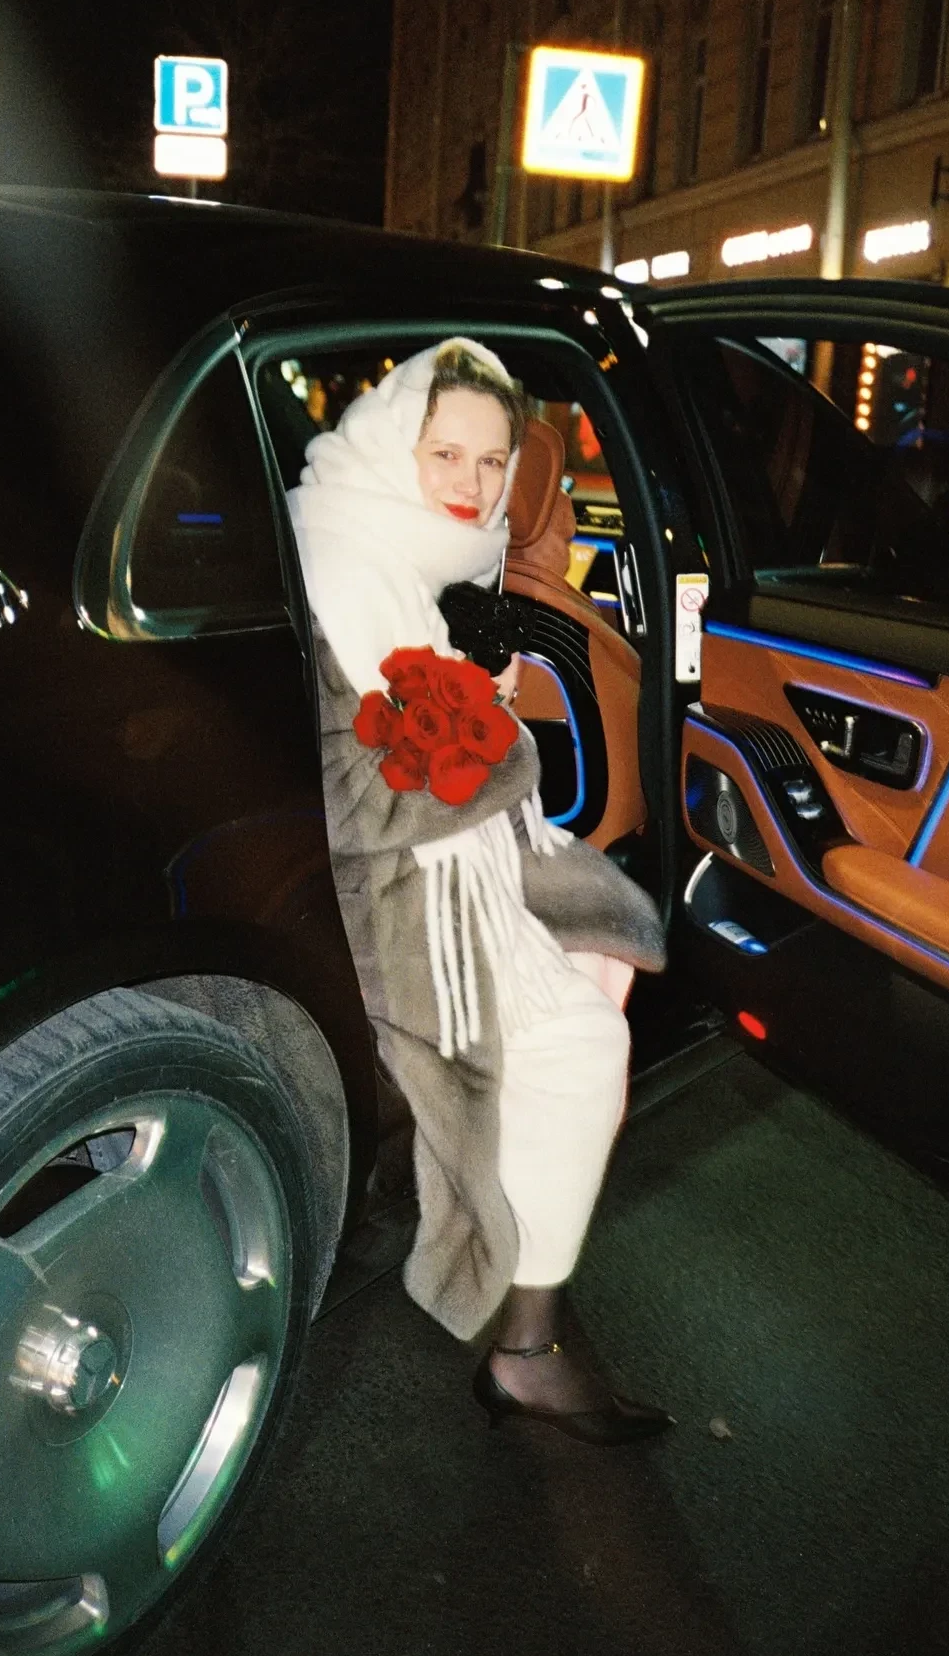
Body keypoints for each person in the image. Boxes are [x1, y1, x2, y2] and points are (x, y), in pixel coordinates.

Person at [287, 338, 672, 1444]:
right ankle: (528, 1351)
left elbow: (419, 720)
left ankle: (530, 1231)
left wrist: (475, 696)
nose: (470, 482)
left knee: (601, 955)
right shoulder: (352, 554)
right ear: (395, 444)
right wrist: (494, 720)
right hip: (402, 873)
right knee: (585, 1046)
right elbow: (402, 769)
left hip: (449, 838)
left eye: (493, 461)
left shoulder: (398, 541)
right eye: (446, 453)